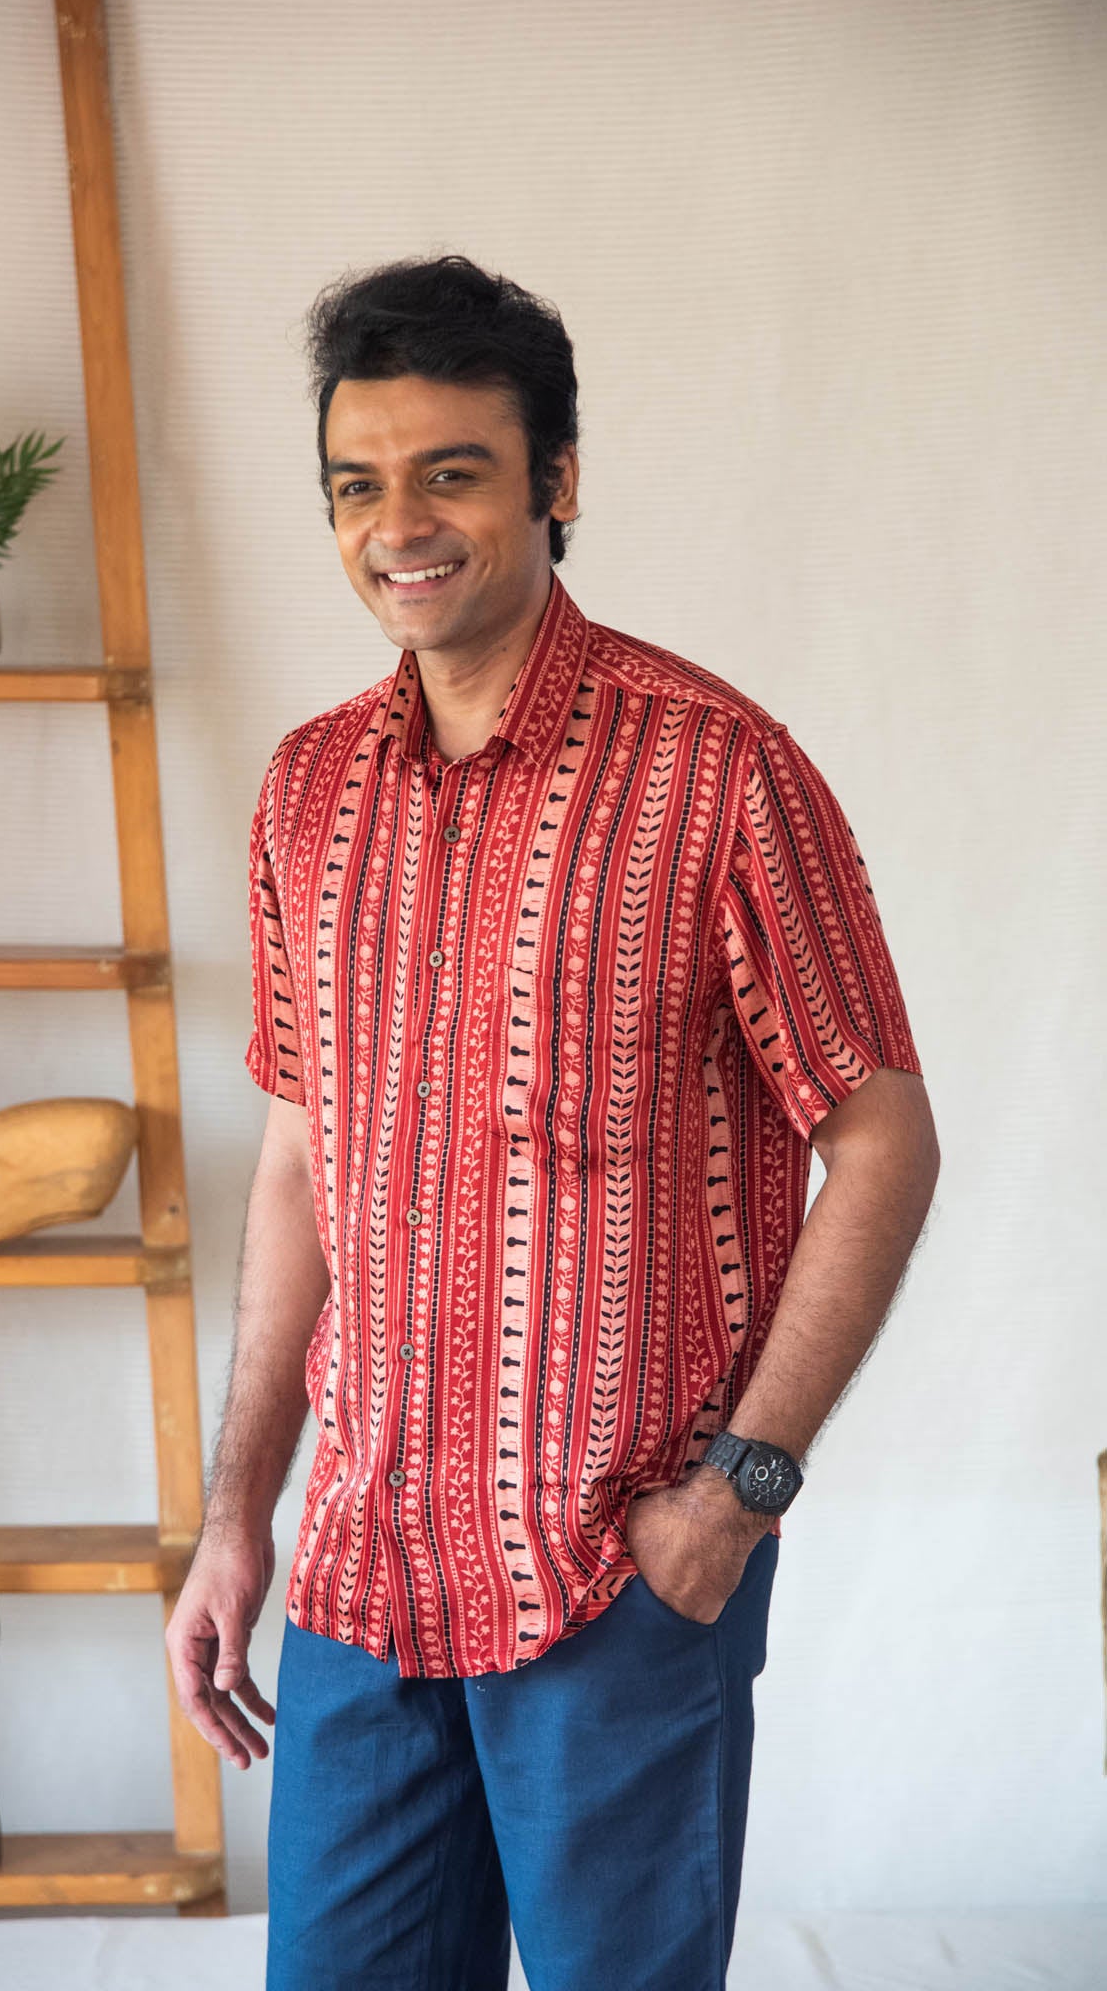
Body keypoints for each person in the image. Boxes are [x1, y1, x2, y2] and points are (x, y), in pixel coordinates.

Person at [166, 254, 940, 1991]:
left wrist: (737, 1496)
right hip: (363, 1580)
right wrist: (237, 1517)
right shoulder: (305, 792)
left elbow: (884, 1139)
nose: (398, 526)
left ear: (556, 481)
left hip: (615, 1580)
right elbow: (302, 1163)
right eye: (356, 485)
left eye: (451, 472)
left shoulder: (719, 770)